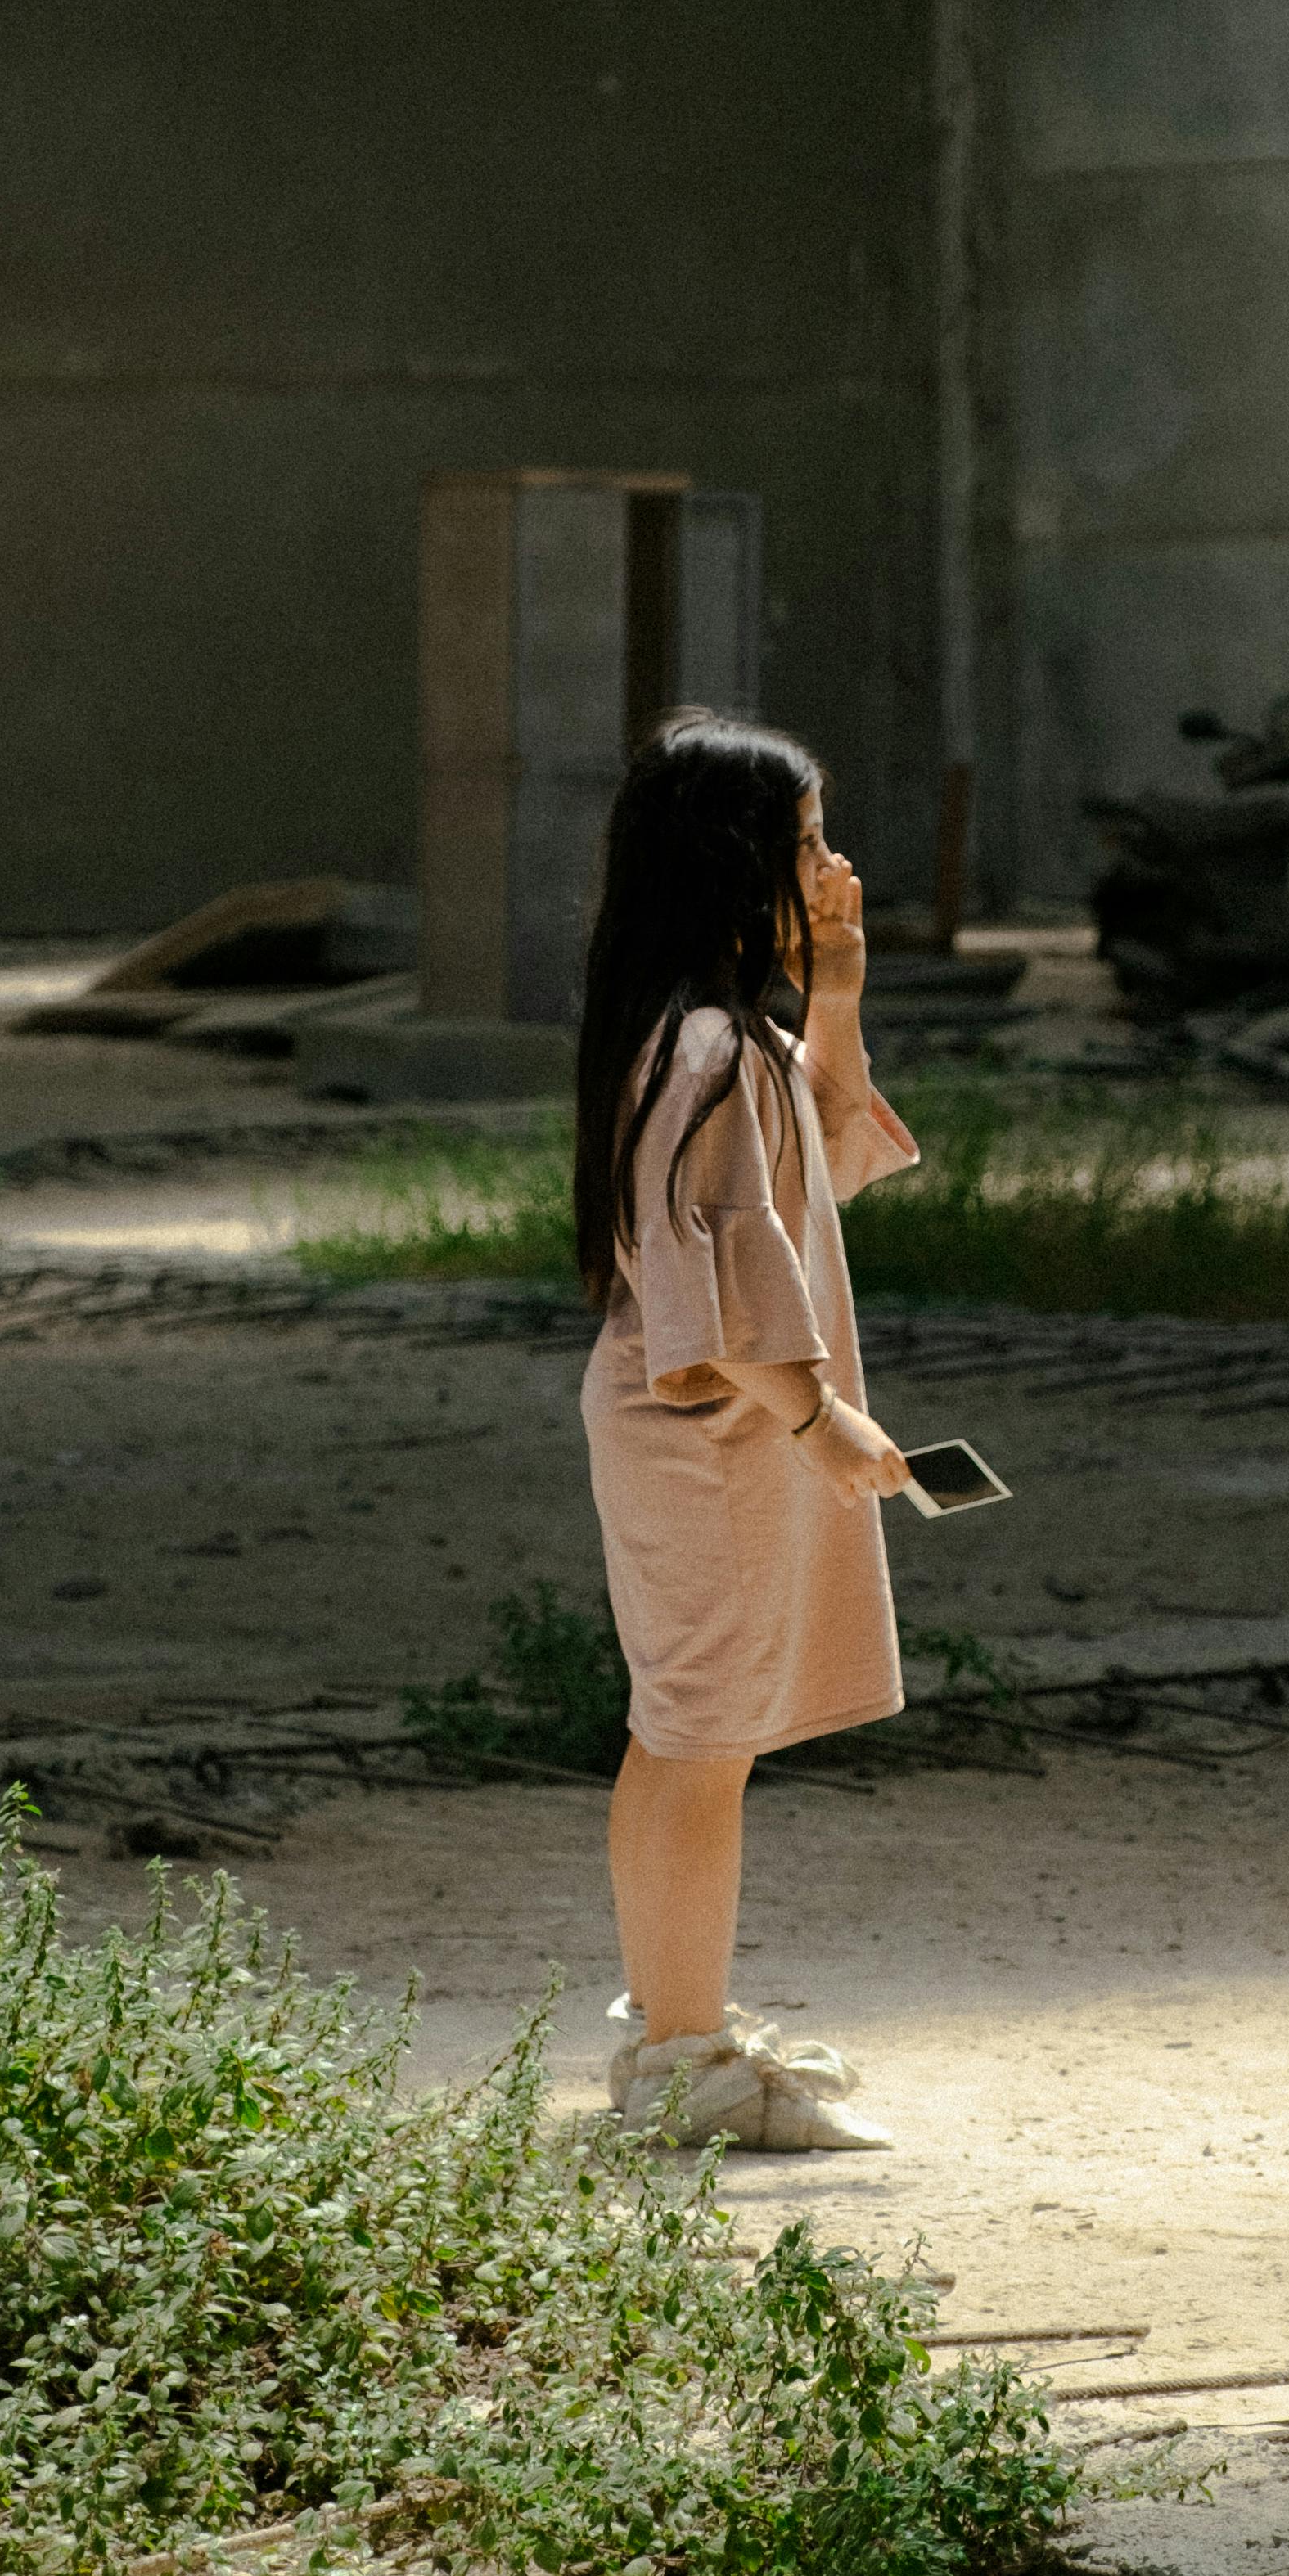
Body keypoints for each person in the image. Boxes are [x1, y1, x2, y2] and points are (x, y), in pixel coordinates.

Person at [575, 711, 919, 2151]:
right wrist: (820, 1413)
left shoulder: (719, 1034)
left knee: (691, 1737)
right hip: (710, 1430)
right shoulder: (705, 1048)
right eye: (807, 841)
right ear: (737, 861)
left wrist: (835, 987)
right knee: (699, 1737)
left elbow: (814, 1187)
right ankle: (684, 2062)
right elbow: (716, 1258)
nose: (832, 867)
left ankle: (682, 2033)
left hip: (723, 1422)